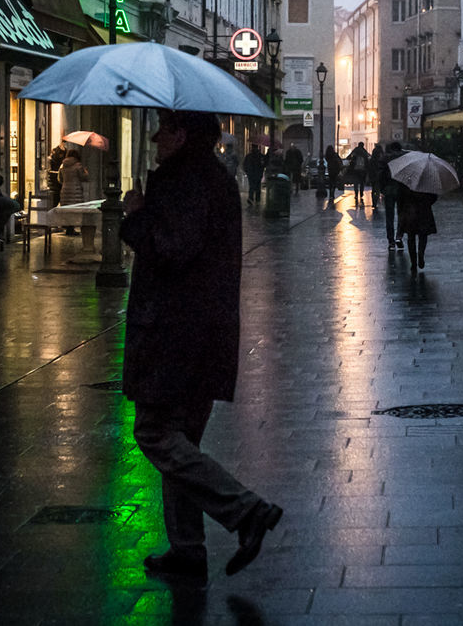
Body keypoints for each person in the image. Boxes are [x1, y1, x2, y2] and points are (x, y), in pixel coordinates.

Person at [120, 110, 282, 585]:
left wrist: (137, 217)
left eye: (163, 129)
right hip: (202, 330)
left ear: (182, 134)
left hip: (177, 332)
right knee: (182, 440)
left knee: (155, 433)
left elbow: (172, 248)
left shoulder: (186, 180)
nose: (154, 136)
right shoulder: (209, 177)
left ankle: (245, 509)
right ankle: (187, 548)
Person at [396, 183, 438, 274]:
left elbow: (400, 197)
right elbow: (434, 196)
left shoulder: (405, 181)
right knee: (423, 234)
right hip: (424, 210)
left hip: (410, 211)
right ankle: (421, 252)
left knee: (411, 237)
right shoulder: (427, 181)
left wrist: (401, 211)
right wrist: (427, 203)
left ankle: (413, 262)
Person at [381, 141, 406, 250]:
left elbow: (381, 175)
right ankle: (399, 236)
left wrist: (382, 189)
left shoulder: (385, 159)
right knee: (402, 215)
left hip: (389, 190)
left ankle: (391, 241)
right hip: (401, 190)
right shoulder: (404, 159)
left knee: (389, 217)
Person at [345, 142, 371, 207]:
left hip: (355, 170)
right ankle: (361, 194)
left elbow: (348, 157)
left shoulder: (355, 150)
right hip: (363, 170)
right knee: (362, 182)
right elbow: (369, 157)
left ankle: (356, 194)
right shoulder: (364, 152)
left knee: (356, 182)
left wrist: (351, 158)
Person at [367, 143, 386, 209]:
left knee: (373, 189)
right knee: (377, 189)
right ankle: (376, 201)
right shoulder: (382, 158)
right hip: (379, 176)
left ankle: (374, 202)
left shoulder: (372, 160)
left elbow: (369, 168)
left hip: (372, 176)